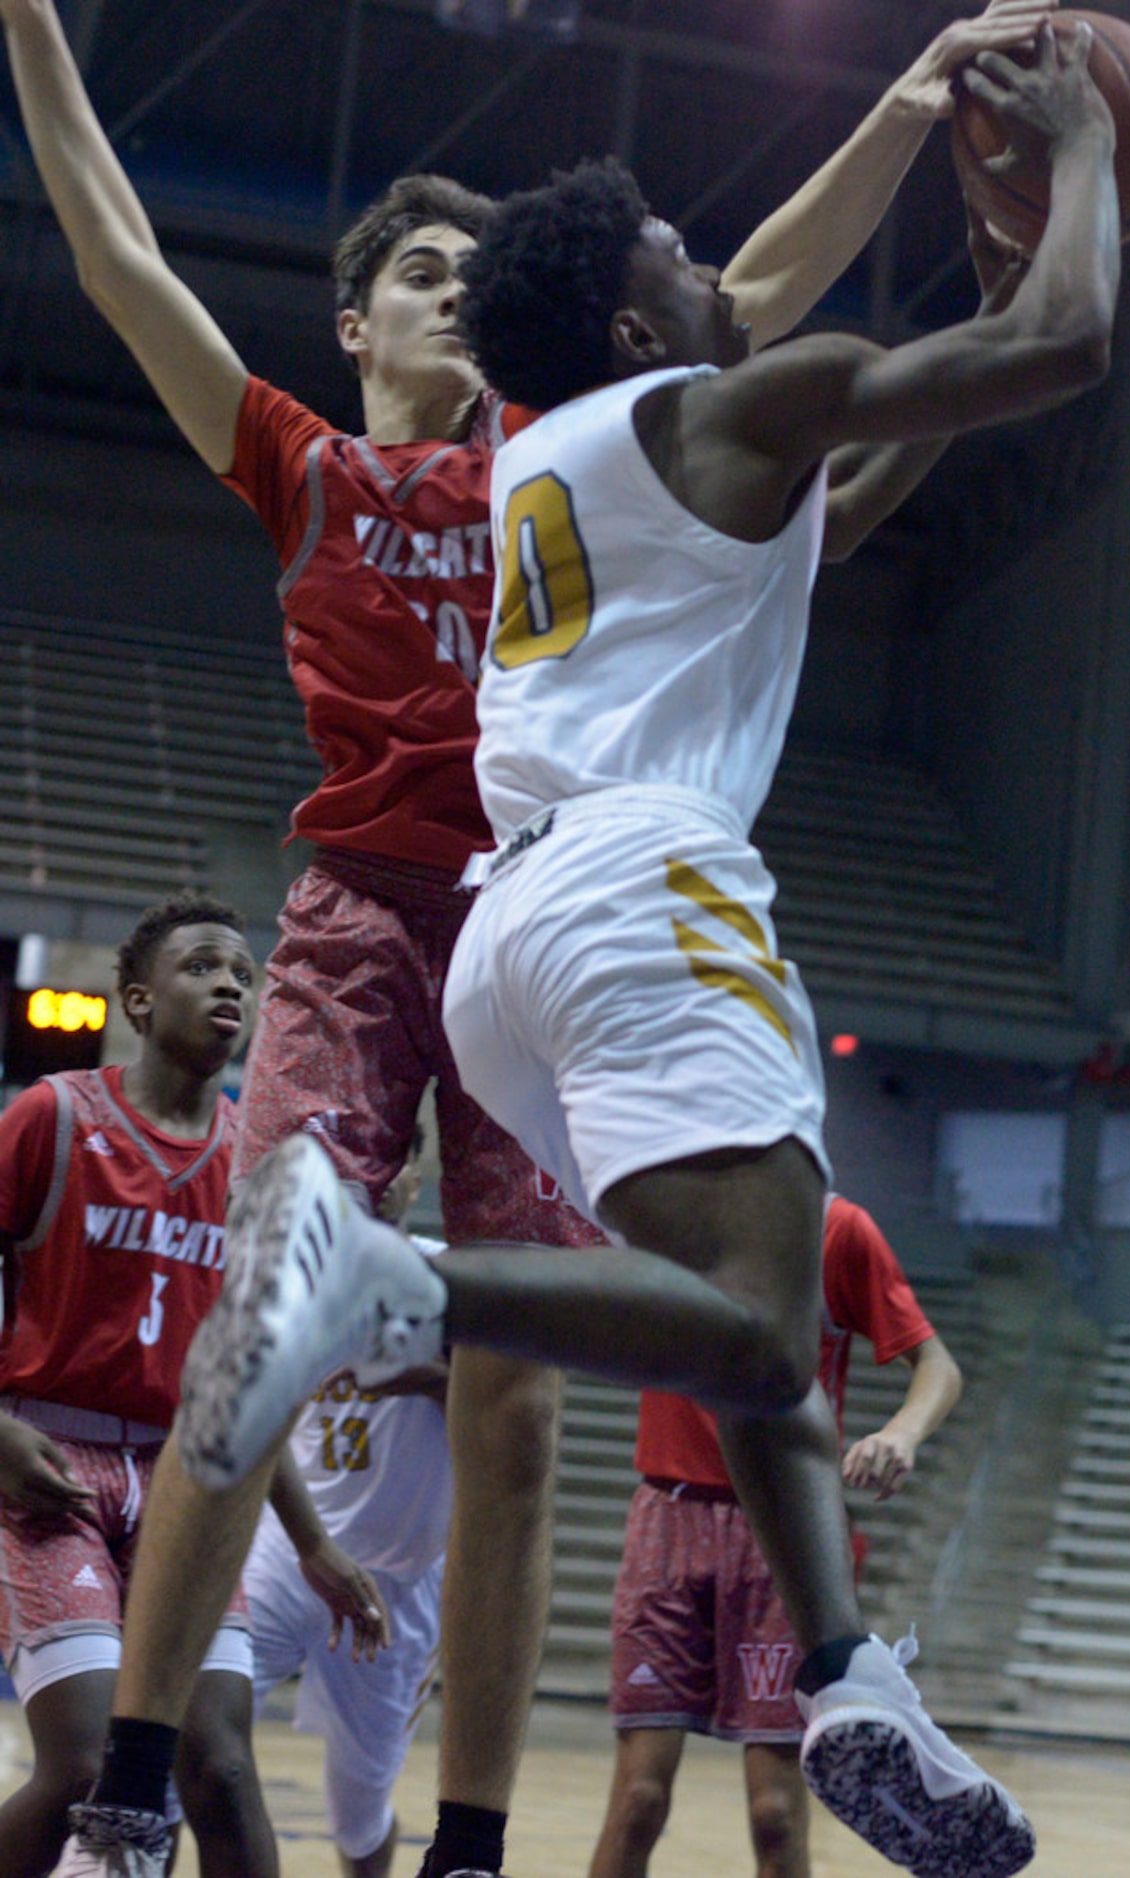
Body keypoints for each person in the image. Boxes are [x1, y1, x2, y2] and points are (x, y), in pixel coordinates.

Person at [0, 3, 1064, 1873]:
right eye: (417, 269)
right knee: (259, 1318)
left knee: (517, 1414)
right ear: (357, 321)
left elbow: (722, 297)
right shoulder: (303, 461)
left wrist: (900, 104)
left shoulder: (559, 441)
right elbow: (111, 243)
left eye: (470, 273)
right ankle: (131, 1794)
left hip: (513, 894)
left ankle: (479, 1840)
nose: (452, 291)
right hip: (369, 921)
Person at [0, 892, 272, 1878]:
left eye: (244, 973)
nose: (231, 986)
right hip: (47, 1457)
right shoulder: (52, 1114)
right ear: (138, 1000)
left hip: (186, 1474)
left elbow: (257, 1374)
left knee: (222, 1770)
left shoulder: (256, 1160)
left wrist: (317, 1547)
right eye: (204, 966)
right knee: (81, 1767)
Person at [588, 1196, 963, 1878]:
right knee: (638, 1798)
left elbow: (938, 1368)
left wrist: (899, 1434)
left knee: (776, 1815)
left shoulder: (838, 1228)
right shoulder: (661, 1209)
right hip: (668, 1523)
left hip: (787, 1531)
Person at [242, 1140, 453, 1878]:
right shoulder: (291, 1269)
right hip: (286, 1543)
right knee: (199, 1726)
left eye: (395, 1159)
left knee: (360, 1805)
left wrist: (418, 1375)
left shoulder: (447, 1274)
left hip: (400, 1577)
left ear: (416, 1177)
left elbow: (504, 1410)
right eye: (362, 1157)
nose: (377, 1175)